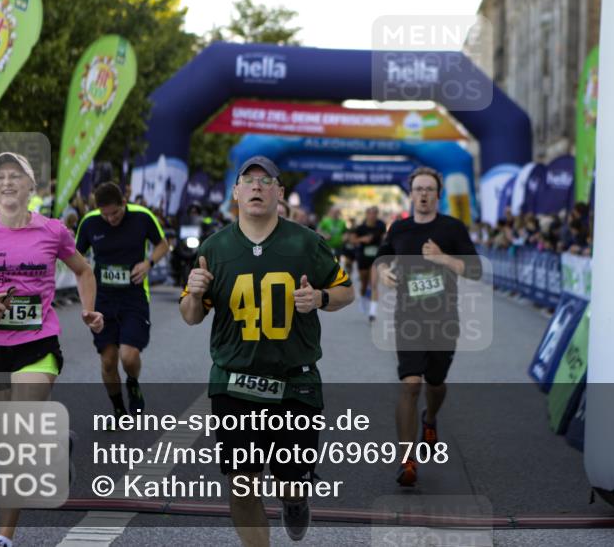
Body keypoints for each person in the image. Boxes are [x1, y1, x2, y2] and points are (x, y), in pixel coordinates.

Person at [180, 156, 354, 546]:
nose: (257, 186)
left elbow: (346, 291)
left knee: (290, 482)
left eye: (266, 181)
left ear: (280, 193)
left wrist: (320, 298)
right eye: (248, 180)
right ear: (236, 193)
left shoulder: (306, 243)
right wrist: (194, 293)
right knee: (242, 484)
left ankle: (294, 499)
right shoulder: (214, 248)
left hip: (295, 384)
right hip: (233, 383)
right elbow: (191, 316)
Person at [0, 152, 104, 547]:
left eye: (16, 176)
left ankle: (4, 538)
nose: (7, 182)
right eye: (1, 176)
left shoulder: (53, 231)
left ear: (31, 187)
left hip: (37, 344)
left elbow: (83, 270)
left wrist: (89, 310)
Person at [373, 167, 481, 487]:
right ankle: (407, 460)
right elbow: (382, 257)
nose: (423, 194)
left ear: (438, 195)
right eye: (418, 189)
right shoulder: (399, 228)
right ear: (411, 194)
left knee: (435, 382)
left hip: (443, 318)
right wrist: (383, 272)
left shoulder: (452, 228)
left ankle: (430, 418)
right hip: (408, 317)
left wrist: (443, 257)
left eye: (429, 189)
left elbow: (475, 269)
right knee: (410, 384)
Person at [74, 182, 168, 418]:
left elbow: (163, 245)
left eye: (115, 213)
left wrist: (148, 263)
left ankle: (133, 382)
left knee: (128, 356)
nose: (110, 219)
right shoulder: (89, 222)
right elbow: (75, 256)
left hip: (133, 297)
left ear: (124, 203)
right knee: (108, 361)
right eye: (105, 215)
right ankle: (118, 410)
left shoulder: (142, 217)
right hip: (102, 300)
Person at [352, 206, 387, 323]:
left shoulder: (381, 225)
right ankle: (362, 298)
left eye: (374, 214)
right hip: (363, 257)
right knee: (364, 283)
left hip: (376, 257)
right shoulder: (360, 228)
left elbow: (385, 237)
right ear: (366, 215)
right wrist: (362, 239)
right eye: (370, 214)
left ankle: (372, 312)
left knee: (374, 284)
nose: (372, 216)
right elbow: (353, 240)